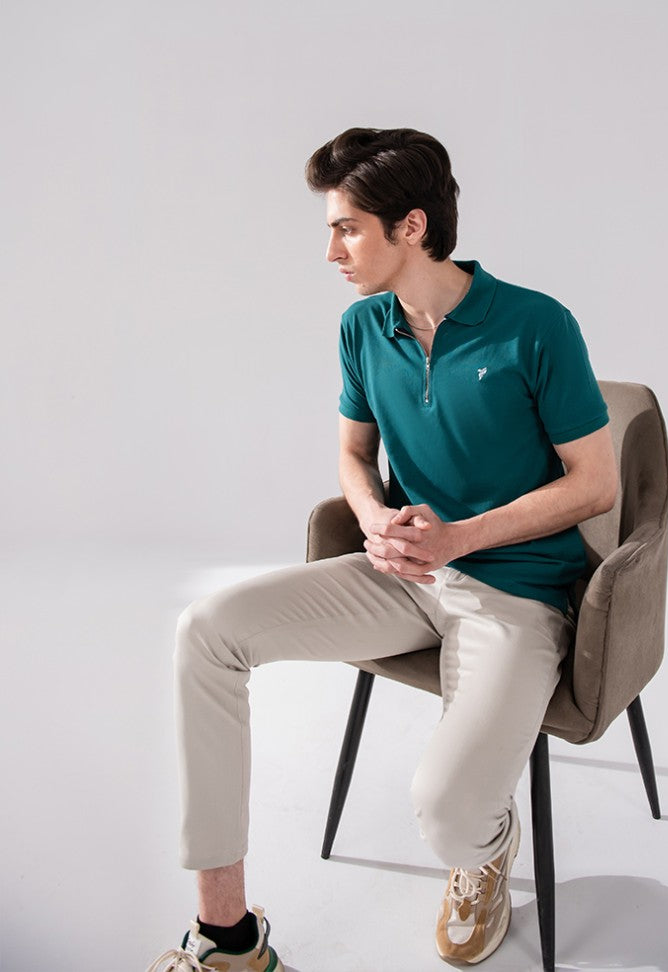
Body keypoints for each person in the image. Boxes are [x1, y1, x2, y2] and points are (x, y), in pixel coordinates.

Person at [147, 127, 617, 972]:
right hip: (399, 577)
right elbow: (353, 454)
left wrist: (463, 536)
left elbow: (596, 485)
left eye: (347, 228)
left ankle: (485, 847)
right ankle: (227, 937)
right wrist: (370, 517)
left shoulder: (537, 325)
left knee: (448, 813)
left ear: (411, 226)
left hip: (516, 592)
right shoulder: (363, 327)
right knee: (206, 632)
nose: (331, 251)